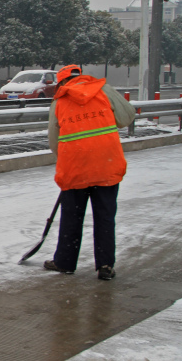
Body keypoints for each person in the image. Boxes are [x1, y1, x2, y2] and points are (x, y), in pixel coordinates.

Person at [44, 64, 135, 280]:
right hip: (106, 164)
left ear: (62, 82)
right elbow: (126, 117)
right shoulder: (105, 90)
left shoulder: (59, 101)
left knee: (71, 217)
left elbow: (53, 142)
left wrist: (71, 156)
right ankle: (105, 265)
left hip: (75, 167)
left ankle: (65, 262)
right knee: (104, 217)